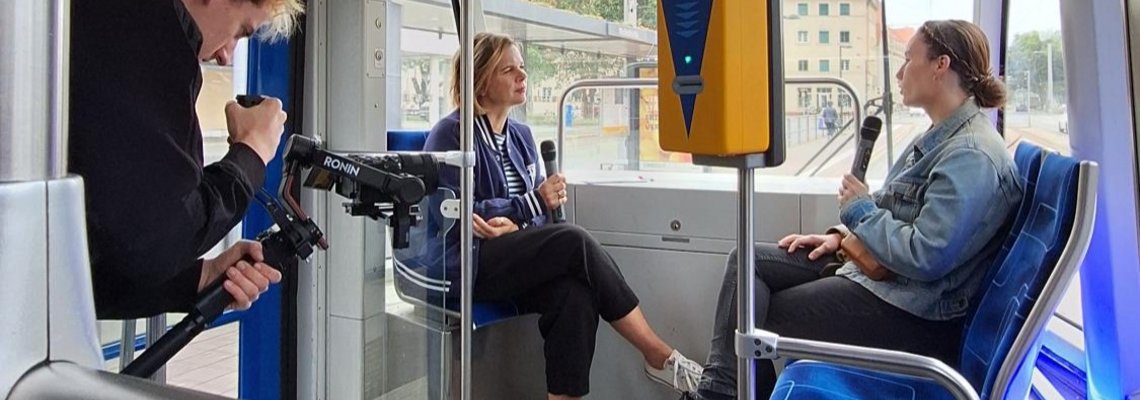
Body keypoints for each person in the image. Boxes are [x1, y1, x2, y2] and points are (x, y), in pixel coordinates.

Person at [684, 20, 1023, 399]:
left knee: (756, 314)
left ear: (940, 65)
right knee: (746, 265)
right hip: (886, 283)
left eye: (909, 58)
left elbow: (924, 254)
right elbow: (897, 212)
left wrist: (858, 210)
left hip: (912, 314)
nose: (899, 71)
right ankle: (723, 391)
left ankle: (718, 394)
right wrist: (841, 238)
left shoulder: (971, 155)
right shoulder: (939, 137)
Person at [423, 32, 703, 399]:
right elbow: (461, 215)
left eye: (522, 68)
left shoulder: (521, 136)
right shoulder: (451, 134)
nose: (523, 77)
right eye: (509, 70)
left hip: (509, 256)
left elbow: (540, 217)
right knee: (572, 239)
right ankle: (655, 352)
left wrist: (520, 221)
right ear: (480, 81)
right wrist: (527, 207)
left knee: (575, 293)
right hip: (466, 262)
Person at [69, 0, 304, 319]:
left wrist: (200, 279)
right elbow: (155, 244)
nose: (226, 54)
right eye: (239, 32)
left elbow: (88, 262)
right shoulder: (149, 46)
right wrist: (251, 154)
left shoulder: (98, 26)